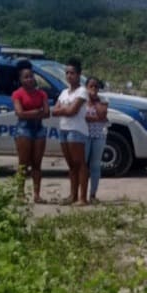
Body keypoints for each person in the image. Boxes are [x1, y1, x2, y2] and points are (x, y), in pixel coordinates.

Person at [10, 61, 50, 203]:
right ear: (20, 79)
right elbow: (19, 113)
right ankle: (20, 194)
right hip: (24, 129)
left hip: (38, 129)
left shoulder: (42, 93)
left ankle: (37, 195)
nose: (29, 79)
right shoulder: (17, 94)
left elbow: (47, 113)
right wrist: (36, 112)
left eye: (31, 76)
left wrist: (31, 113)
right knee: (23, 163)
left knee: (37, 164)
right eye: (26, 77)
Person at [52, 59, 90, 206]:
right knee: (71, 165)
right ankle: (72, 195)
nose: (69, 76)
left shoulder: (82, 91)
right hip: (64, 129)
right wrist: (64, 110)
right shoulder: (63, 92)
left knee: (80, 163)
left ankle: (83, 198)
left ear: (79, 74)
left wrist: (63, 110)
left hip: (76, 130)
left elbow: (72, 111)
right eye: (67, 73)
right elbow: (55, 111)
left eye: (72, 73)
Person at [83, 77, 110, 203]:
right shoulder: (82, 100)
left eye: (96, 87)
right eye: (91, 86)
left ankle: (93, 194)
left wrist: (95, 100)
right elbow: (83, 117)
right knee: (83, 165)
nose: (93, 89)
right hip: (84, 135)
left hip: (98, 135)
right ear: (86, 87)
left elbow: (102, 114)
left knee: (95, 165)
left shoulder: (102, 100)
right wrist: (98, 119)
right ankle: (81, 194)